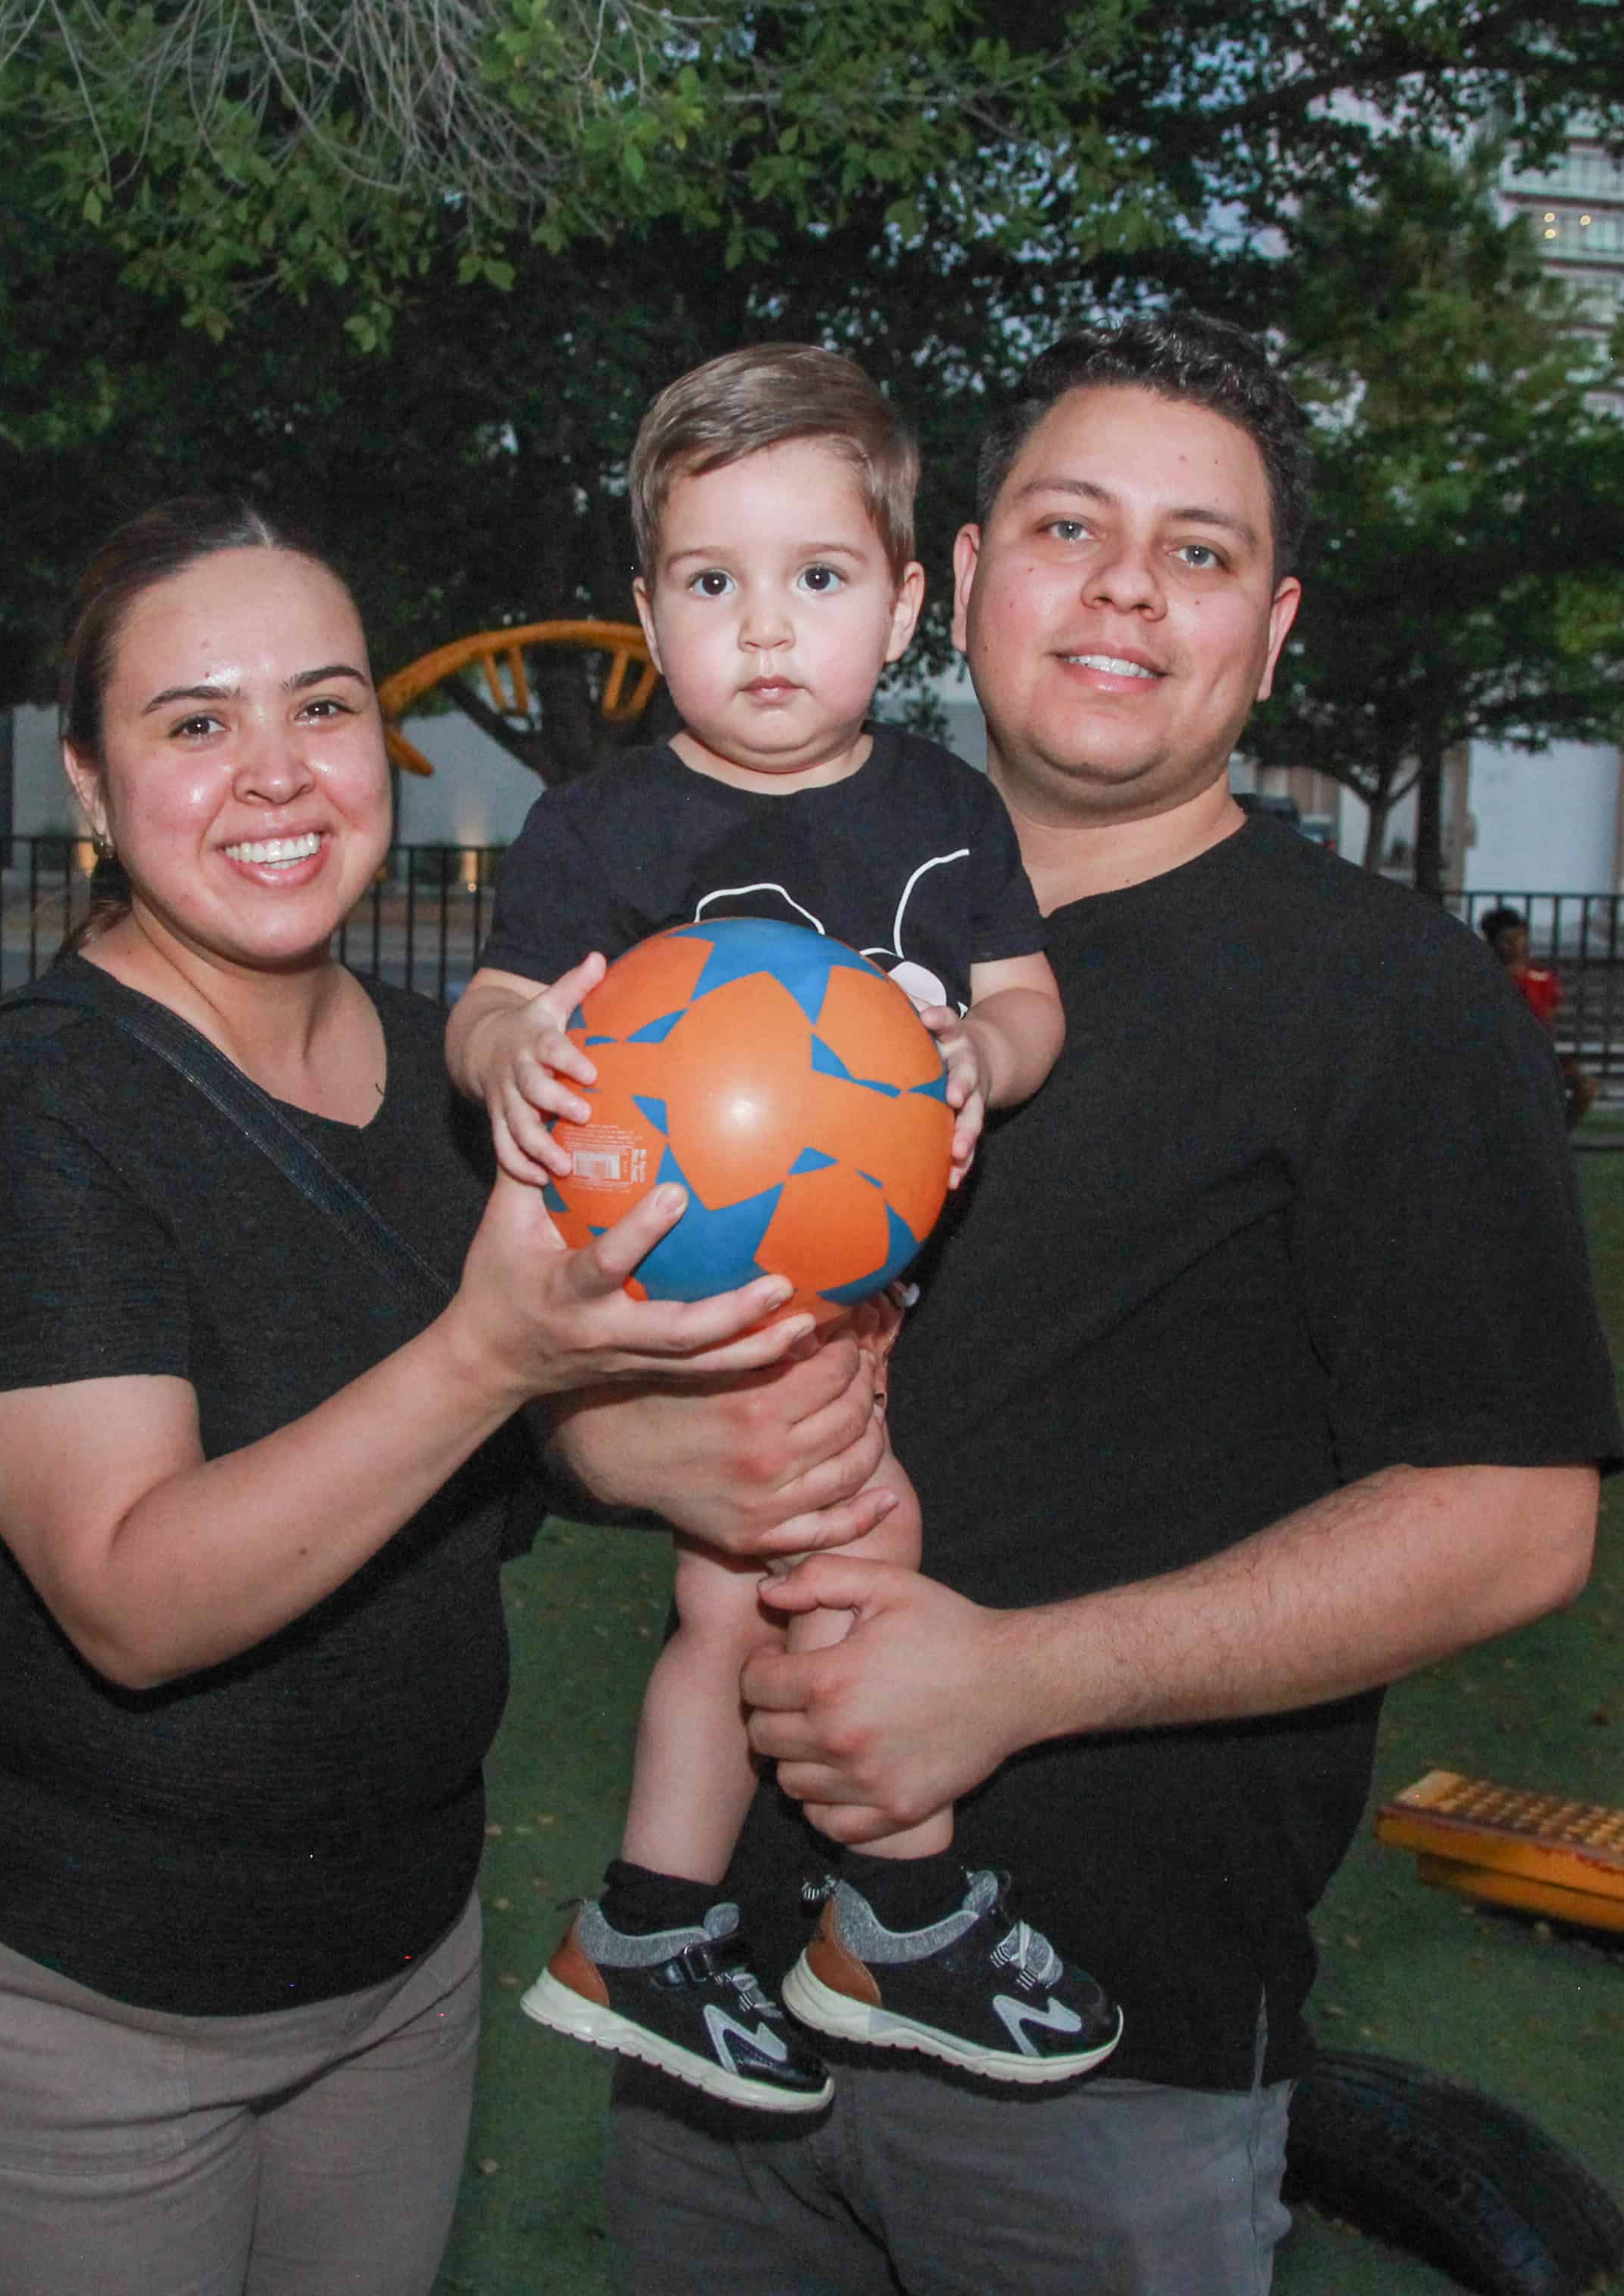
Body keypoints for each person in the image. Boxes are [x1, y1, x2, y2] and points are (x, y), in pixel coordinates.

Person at [604, 314, 1624, 2294]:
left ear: (1274, 622)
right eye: (1071, 528)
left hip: (1105, 2065)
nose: (1131, 590)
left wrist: (1013, 1680)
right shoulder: (765, 940)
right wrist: (635, 1435)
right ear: (969, 578)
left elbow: (1518, 1514)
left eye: (1203, 549)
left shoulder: (1391, 1008)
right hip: (718, 2003)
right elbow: (582, 1369)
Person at [0, 496, 902, 2296]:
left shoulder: (452, 1071)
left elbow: (491, 1446)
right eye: (193, 720)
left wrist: (692, 1446)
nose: (276, 773)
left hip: (391, 1947)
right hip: (54, 1971)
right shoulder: (38, 1115)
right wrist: (495, 1350)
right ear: (86, 780)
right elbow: (135, 1594)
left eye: (321, 706)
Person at [447, 344, 1112, 2111]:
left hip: (855, 1297)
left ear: (901, 602)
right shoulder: (601, 823)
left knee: (734, 1601)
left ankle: (657, 1926)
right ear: (646, 607)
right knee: (838, 1554)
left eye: (814, 579)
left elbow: (1032, 1005)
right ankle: (892, 1907)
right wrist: (513, 1046)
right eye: (709, 581)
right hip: (686, 1302)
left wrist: (978, 1045)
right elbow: (492, 1004)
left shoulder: (940, 811)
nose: (763, 630)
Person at [1481, 904, 1596, 1127]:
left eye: (1520, 937)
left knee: (1586, 1088)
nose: (1516, 945)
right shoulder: (1485, 978)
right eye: (1507, 940)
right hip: (1500, 1059)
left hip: (1540, 1057)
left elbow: (1547, 1020)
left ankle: (1558, 1140)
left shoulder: (1541, 978)